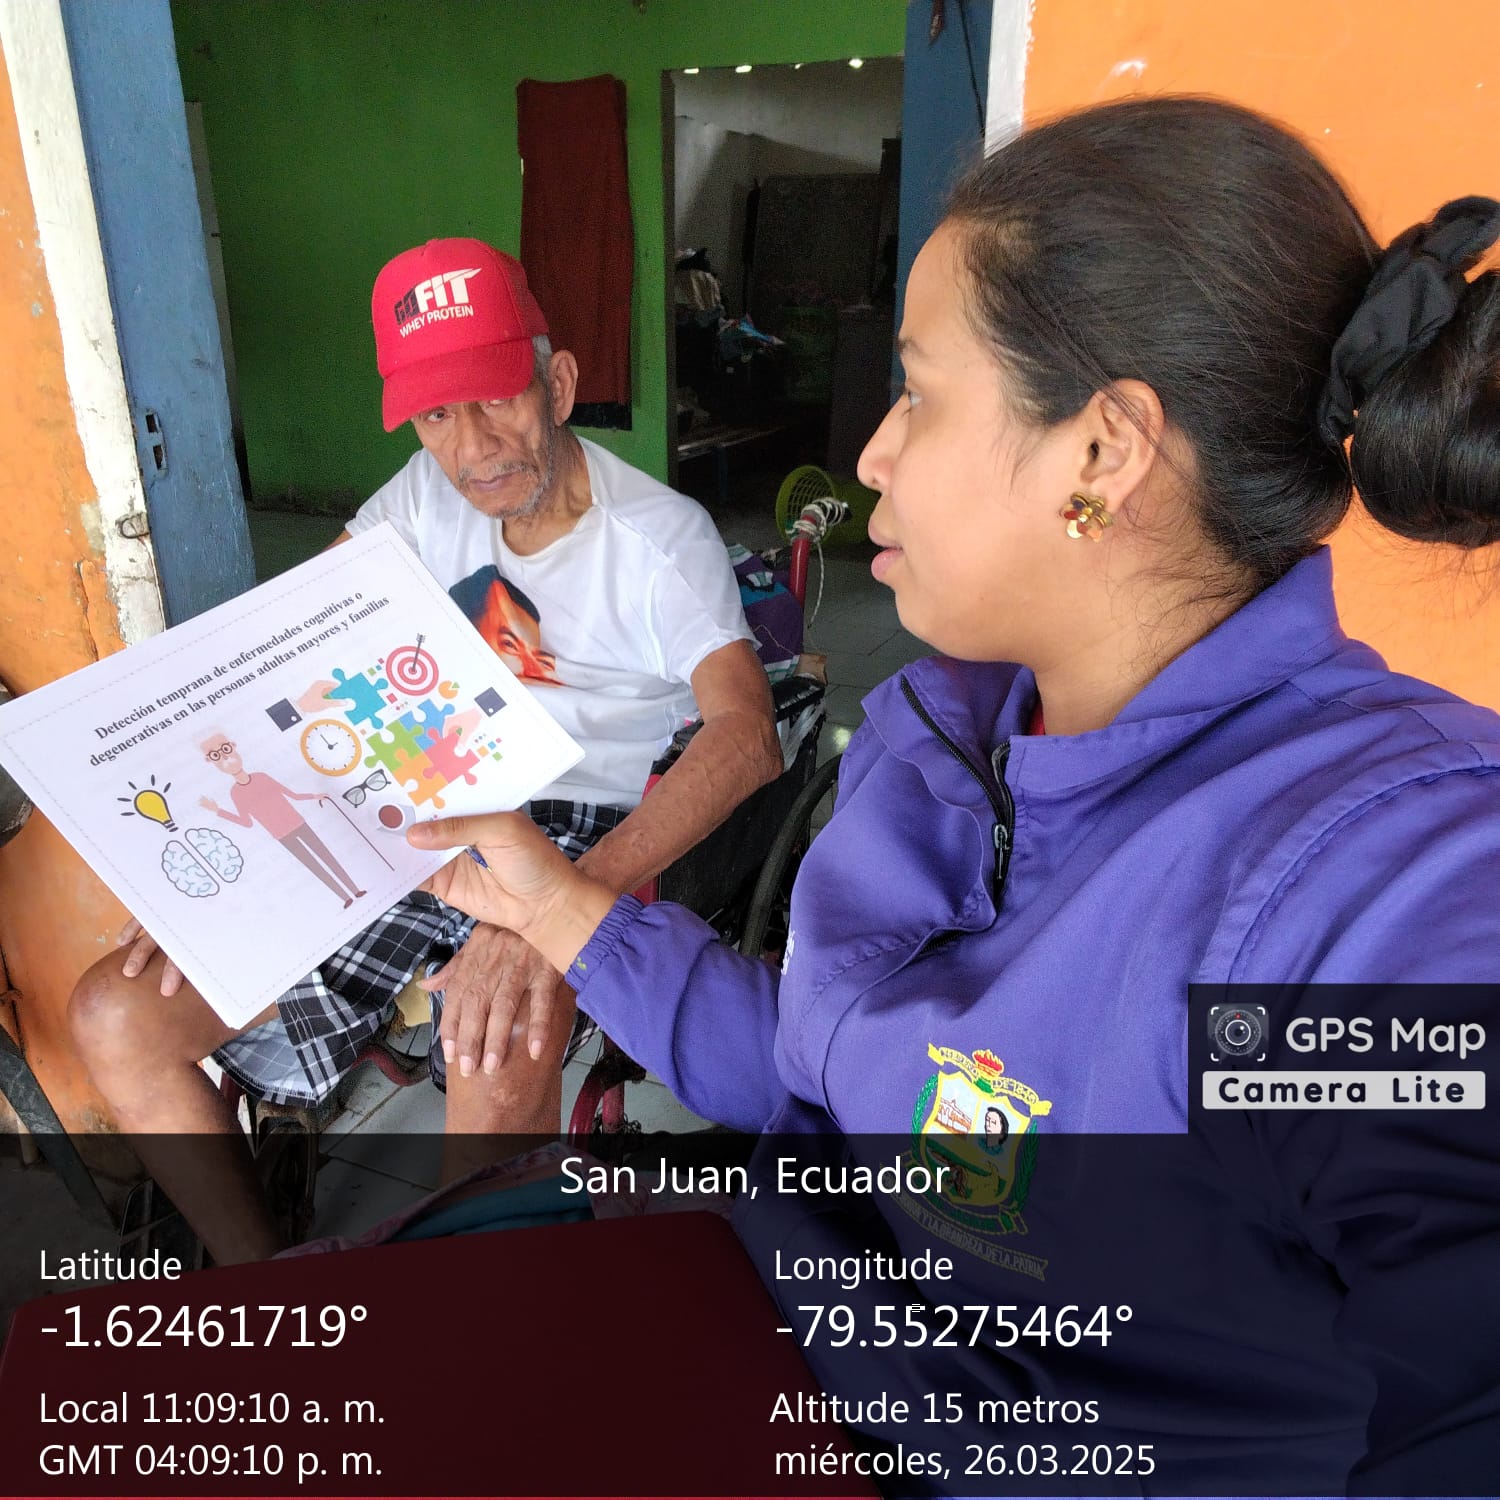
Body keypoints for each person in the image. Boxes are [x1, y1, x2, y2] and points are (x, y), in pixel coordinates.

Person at [403, 100, 1500, 1491]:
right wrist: (560, 908)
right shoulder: (945, 727)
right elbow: (833, 1083)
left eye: (918, 393)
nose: (871, 455)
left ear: (1101, 453)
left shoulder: (1384, 869)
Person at [68, 239, 782, 1263]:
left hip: (585, 814)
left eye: (495, 399)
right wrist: (191, 863)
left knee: (496, 1033)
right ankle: (258, 1284)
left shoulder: (659, 538)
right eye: (438, 415)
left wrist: (561, 904)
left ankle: (459, 1310)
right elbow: (284, 648)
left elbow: (747, 736)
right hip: (429, 788)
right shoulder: (421, 496)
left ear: (558, 385)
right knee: (115, 1014)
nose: (473, 448)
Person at [197, 731, 366, 908]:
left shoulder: (261, 777)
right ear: (213, 763)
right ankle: (344, 898)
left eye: (226, 749)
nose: (226, 758)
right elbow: (247, 822)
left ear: (233, 747)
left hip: (298, 823)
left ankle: (355, 890)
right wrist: (218, 811)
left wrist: (315, 796)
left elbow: (293, 795)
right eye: (216, 756)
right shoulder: (236, 792)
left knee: (327, 856)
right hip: (282, 835)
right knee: (313, 865)